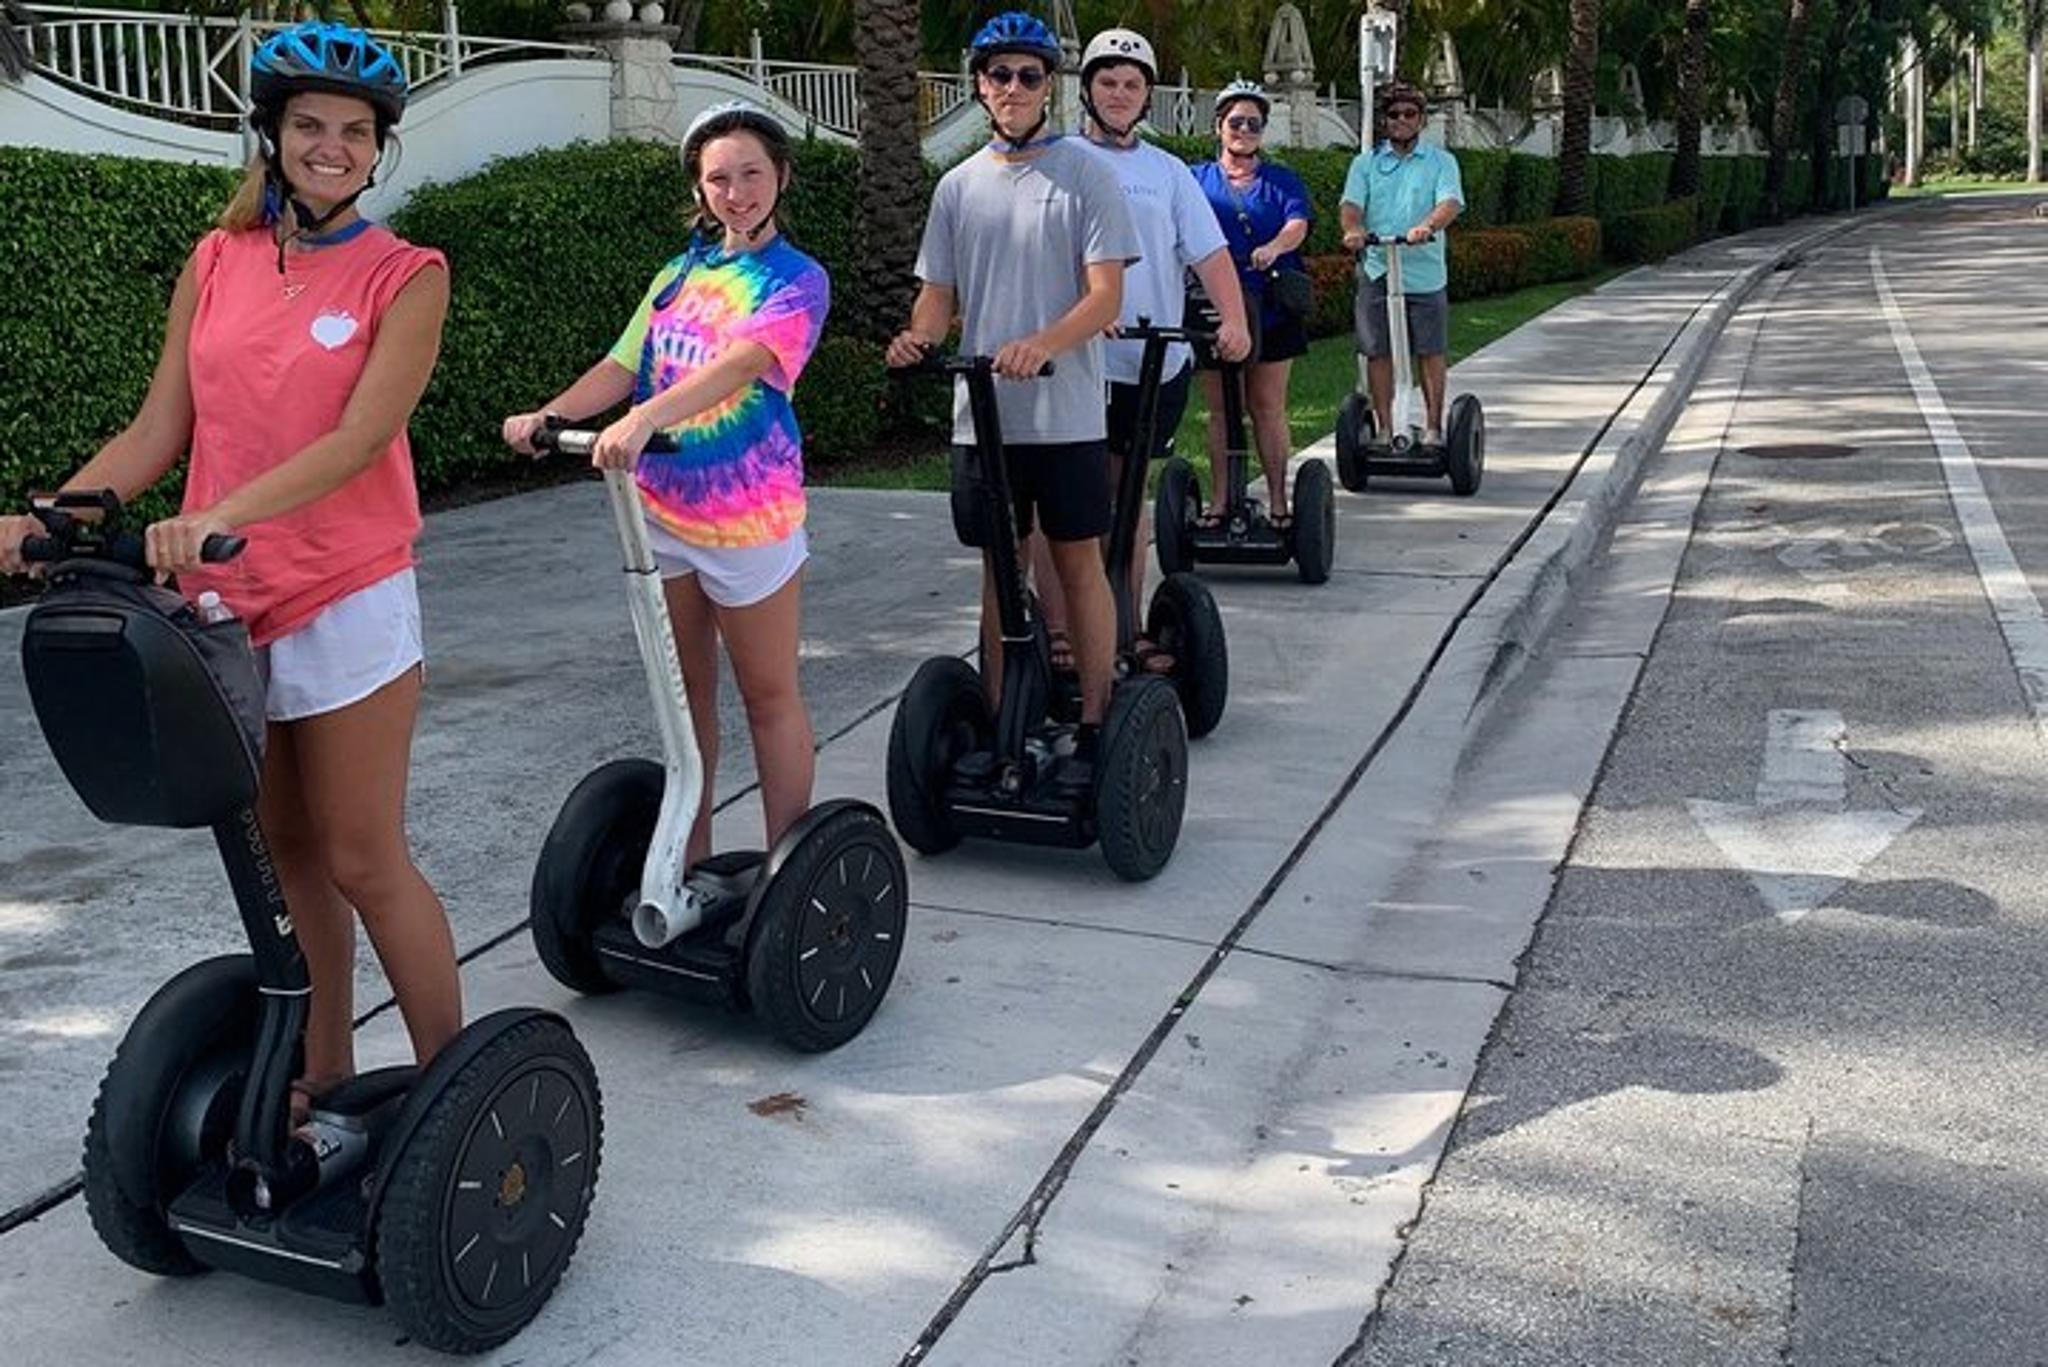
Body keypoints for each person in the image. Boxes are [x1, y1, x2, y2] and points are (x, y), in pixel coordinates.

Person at [0, 21, 457, 1120]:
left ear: (376, 148)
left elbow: (358, 440)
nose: (331, 146)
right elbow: (160, 427)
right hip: (227, 603)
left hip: (346, 592)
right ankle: (326, 1066)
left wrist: (217, 514)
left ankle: (462, 1094)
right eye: (309, 125)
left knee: (361, 854)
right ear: (273, 133)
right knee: (289, 853)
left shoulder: (408, 274)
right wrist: (39, 518)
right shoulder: (217, 261)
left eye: (354, 132)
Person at [503, 101, 827, 869]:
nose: (737, 191)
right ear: (700, 188)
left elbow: (741, 365)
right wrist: (551, 412)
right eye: (720, 178)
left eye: (752, 174)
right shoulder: (677, 276)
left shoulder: (798, 279)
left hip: (748, 521)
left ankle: (793, 875)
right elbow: (622, 364)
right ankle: (688, 868)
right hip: (665, 516)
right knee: (686, 707)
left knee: (768, 696)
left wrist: (644, 418)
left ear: (780, 176)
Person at [885, 11, 1138, 778]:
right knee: (999, 570)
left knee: (1075, 561)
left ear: (1048, 86)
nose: (1015, 87)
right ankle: (1002, 725)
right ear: (980, 85)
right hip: (984, 418)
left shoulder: (1087, 174)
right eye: (1001, 74)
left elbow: (1106, 298)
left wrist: (1045, 344)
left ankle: (1096, 720)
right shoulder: (958, 187)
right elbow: (938, 296)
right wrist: (917, 338)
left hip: (1064, 411)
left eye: (1030, 75)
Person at [1041, 25, 1250, 675]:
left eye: (1132, 84)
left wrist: (1234, 321)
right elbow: (1044, 249)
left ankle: (1124, 629)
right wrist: (1084, 306)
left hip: (1152, 360)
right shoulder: (1058, 160)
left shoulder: (1167, 173)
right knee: (1072, 500)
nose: (1120, 93)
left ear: (1146, 95)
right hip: (1074, 362)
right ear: (1088, 90)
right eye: (1108, 81)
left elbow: (1210, 253)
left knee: (1130, 502)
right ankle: (1059, 635)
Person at [1192, 80, 1313, 529]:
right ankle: (1222, 500)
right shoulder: (1195, 179)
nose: (1244, 130)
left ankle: (1279, 500)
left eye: (1253, 123)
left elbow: (1298, 223)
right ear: (1219, 126)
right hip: (1213, 304)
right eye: (1236, 122)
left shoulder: (1281, 180)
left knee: (1266, 403)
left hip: (1271, 303)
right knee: (1222, 406)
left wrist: (1276, 246)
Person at [1339, 81, 1465, 457]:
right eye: (1394, 115)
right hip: (1378, 268)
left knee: (1429, 349)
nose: (1402, 120)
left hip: (1424, 272)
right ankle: (1384, 428)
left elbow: (1450, 202)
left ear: (1421, 120)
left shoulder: (1441, 162)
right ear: (1384, 121)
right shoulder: (1366, 164)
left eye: (1410, 114)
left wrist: (1428, 225)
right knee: (1377, 351)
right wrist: (1353, 229)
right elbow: (1351, 205)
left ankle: (1432, 427)